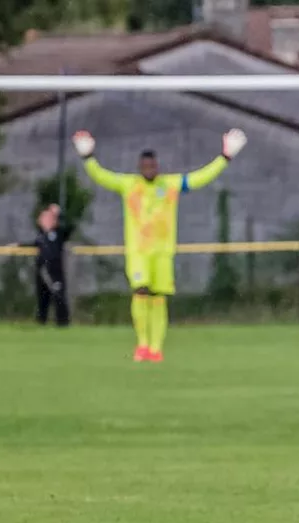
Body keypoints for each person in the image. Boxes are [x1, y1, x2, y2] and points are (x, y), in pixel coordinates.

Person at [72, 128, 247, 362]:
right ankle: (142, 344)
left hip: (163, 252)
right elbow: (101, 176)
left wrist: (224, 158)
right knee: (140, 290)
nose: (149, 170)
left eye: (152, 166)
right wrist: (88, 158)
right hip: (138, 252)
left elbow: (199, 178)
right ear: (139, 167)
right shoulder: (129, 185)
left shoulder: (170, 185)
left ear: (157, 166)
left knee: (158, 297)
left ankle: (156, 348)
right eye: (145, 166)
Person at [13, 203, 73, 327]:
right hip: (43, 271)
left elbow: (70, 227)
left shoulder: (59, 233)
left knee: (59, 296)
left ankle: (63, 324)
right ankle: (41, 322)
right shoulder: (41, 236)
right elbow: (33, 245)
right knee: (43, 298)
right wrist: (18, 246)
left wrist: (58, 213)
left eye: (47, 218)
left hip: (55, 271)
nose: (43, 221)